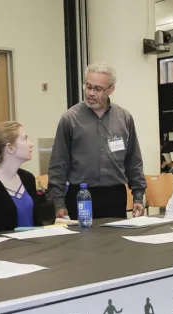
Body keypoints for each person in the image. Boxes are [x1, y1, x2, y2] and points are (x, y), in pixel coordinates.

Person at [48, 63, 146, 220]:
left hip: (114, 195)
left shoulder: (124, 118)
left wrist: (138, 196)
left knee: (115, 242)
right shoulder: (70, 119)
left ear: (111, 89)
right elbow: (58, 164)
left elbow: (133, 160)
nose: (90, 93)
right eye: (88, 86)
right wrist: (59, 203)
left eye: (98, 89)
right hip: (80, 195)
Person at [0, 122, 45, 233]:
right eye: (24, 139)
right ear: (10, 148)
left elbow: (37, 223)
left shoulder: (28, 178)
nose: (30, 144)